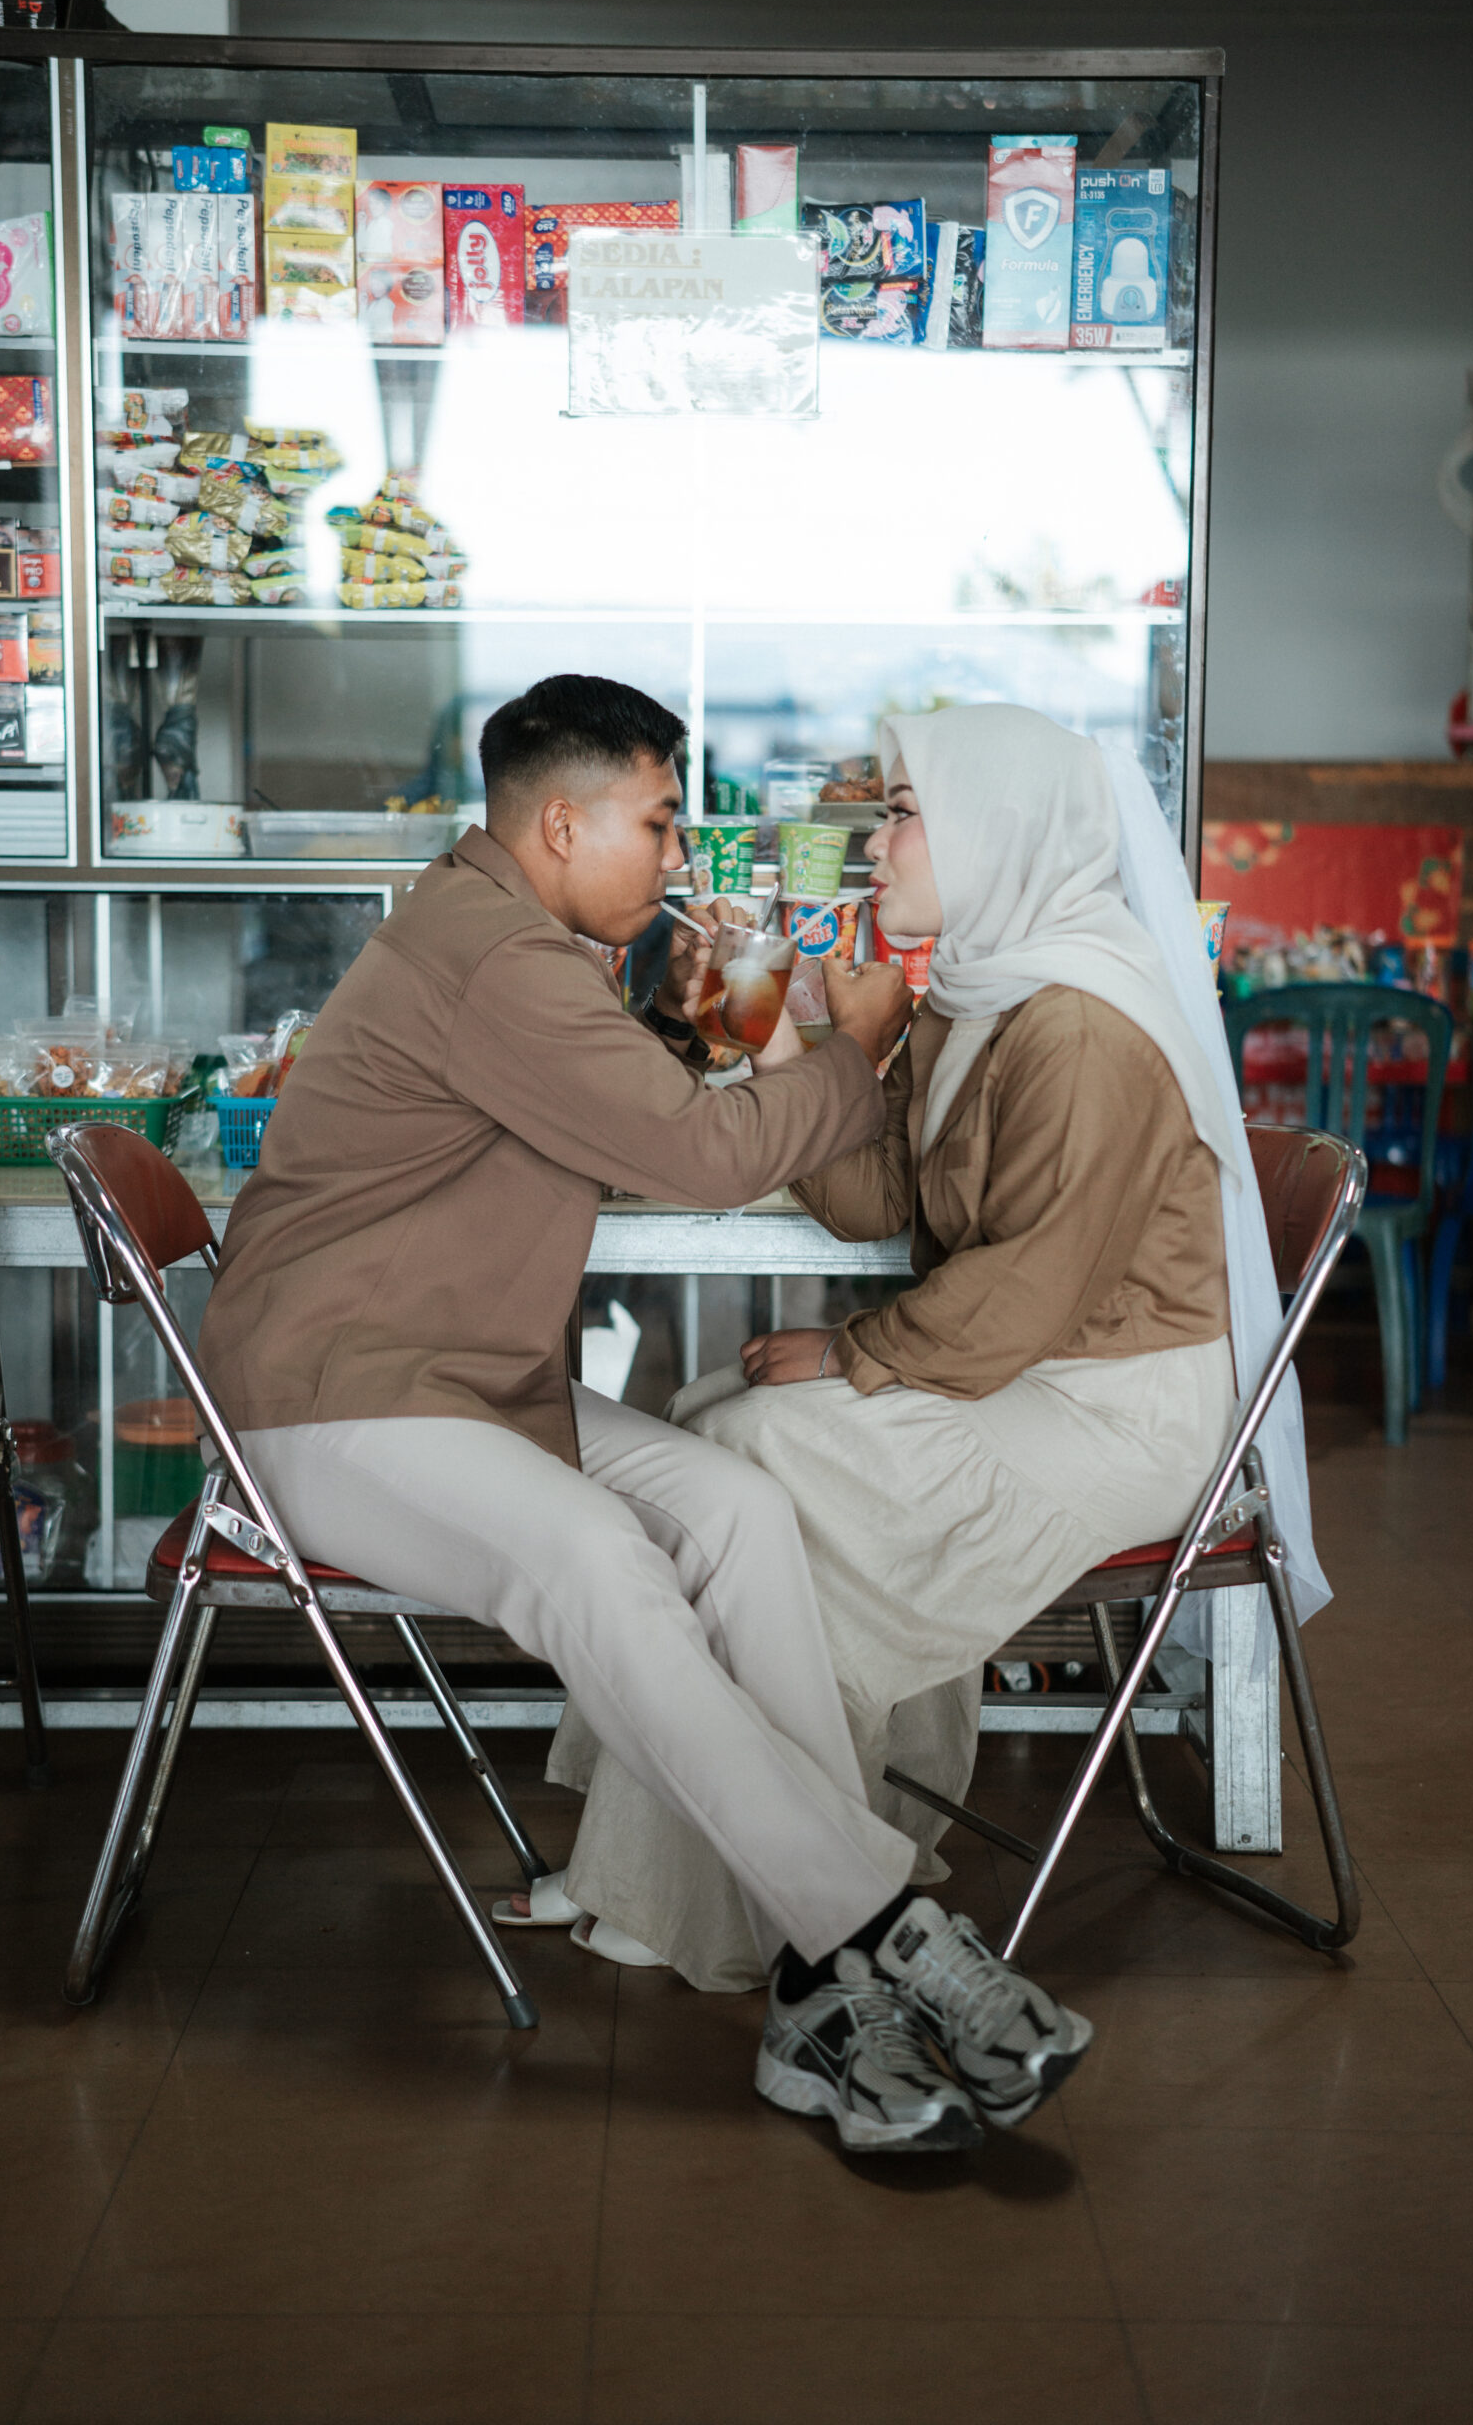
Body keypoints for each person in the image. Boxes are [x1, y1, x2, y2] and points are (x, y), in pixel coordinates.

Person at [196, 673, 1093, 2153]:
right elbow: (700, 1158)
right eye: (661, 823)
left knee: (738, 1510)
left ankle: (815, 1987)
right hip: (333, 1398)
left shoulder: (508, 936)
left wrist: (690, 1036)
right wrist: (854, 1059)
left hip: (460, 1384)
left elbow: (600, 1113)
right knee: (601, 1560)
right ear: (562, 824)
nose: (678, 858)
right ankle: (877, 1934)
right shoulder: (497, 955)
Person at [538, 703, 1256, 1993]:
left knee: (754, 1455)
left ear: (999, 831)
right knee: (706, 1428)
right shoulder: (982, 992)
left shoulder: (1082, 1027)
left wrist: (848, 1353)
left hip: (1114, 1411)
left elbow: (1028, 1290)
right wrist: (796, 1036)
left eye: (906, 815)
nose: (874, 846)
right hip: (1020, 1371)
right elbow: (879, 1201)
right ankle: (733, 1850)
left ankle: (695, 1881)